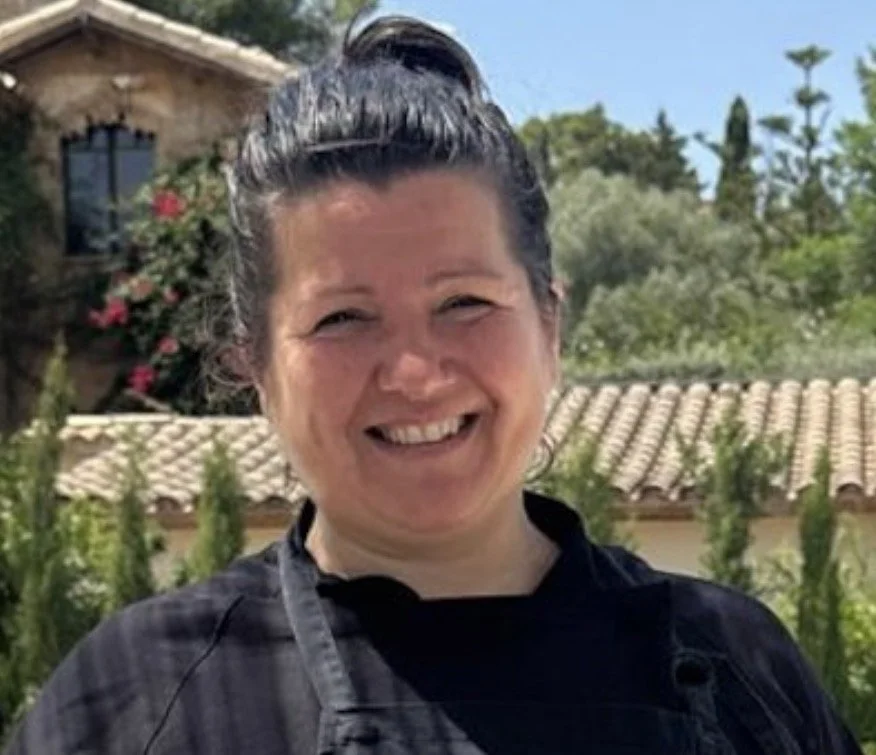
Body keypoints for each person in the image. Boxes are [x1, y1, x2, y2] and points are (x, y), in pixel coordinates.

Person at [3, 14, 864, 755]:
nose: (415, 371)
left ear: (550, 325)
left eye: (464, 302)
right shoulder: (133, 703)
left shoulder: (739, 673)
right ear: (256, 363)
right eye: (342, 318)